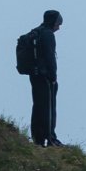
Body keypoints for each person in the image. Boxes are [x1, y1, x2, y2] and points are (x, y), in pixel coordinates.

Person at [25, 8, 62, 146]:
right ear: (53, 22)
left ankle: (38, 138)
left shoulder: (36, 32)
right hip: (45, 76)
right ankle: (50, 138)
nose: (59, 27)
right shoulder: (47, 35)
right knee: (49, 107)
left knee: (38, 106)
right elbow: (50, 57)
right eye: (58, 23)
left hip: (34, 75)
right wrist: (53, 76)